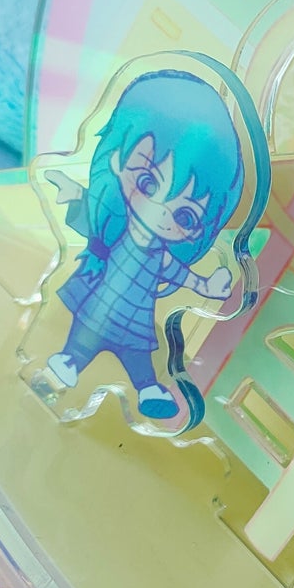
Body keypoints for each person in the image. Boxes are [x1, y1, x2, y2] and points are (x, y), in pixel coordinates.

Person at [45, 70, 245, 418]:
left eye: (185, 216)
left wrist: (207, 286)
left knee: (137, 357)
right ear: (116, 160)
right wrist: (75, 195)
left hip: (134, 320)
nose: (160, 211)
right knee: (82, 336)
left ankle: (148, 389)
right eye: (149, 183)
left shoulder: (161, 258)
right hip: (98, 303)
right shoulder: (112, 231)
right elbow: (93, 225)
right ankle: (70, 362)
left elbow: (182, 276)